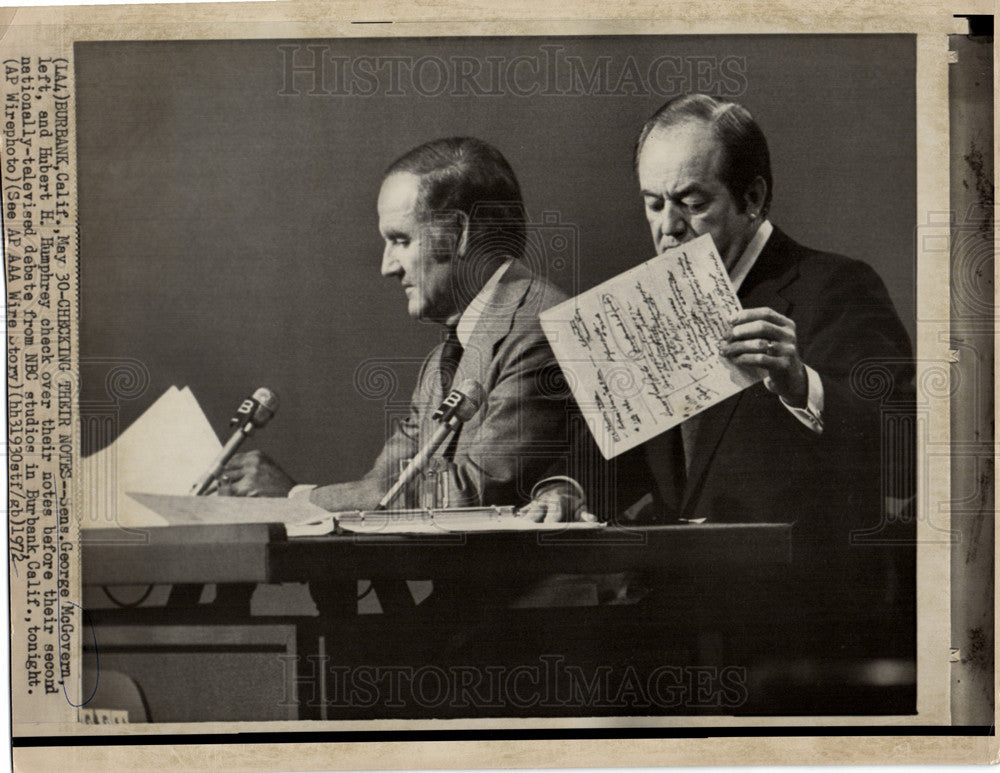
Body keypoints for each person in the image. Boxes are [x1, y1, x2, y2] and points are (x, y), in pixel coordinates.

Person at [532, 93, 915, 560]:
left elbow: (903, 454)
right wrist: (568, 488)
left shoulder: (838, 285)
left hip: (799, 604)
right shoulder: (652, 303)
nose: (668, 227)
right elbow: (618, 446)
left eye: (691, 203)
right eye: (653, 205)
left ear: (751, 199)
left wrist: (801, 386)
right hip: (679, 595)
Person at [217, 136, 577, 513]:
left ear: (457, 233)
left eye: (401, 240)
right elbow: (384, 484)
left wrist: (296, 497)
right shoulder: (446, 355)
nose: (387, 266)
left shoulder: (542, 329)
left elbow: (474, 492)